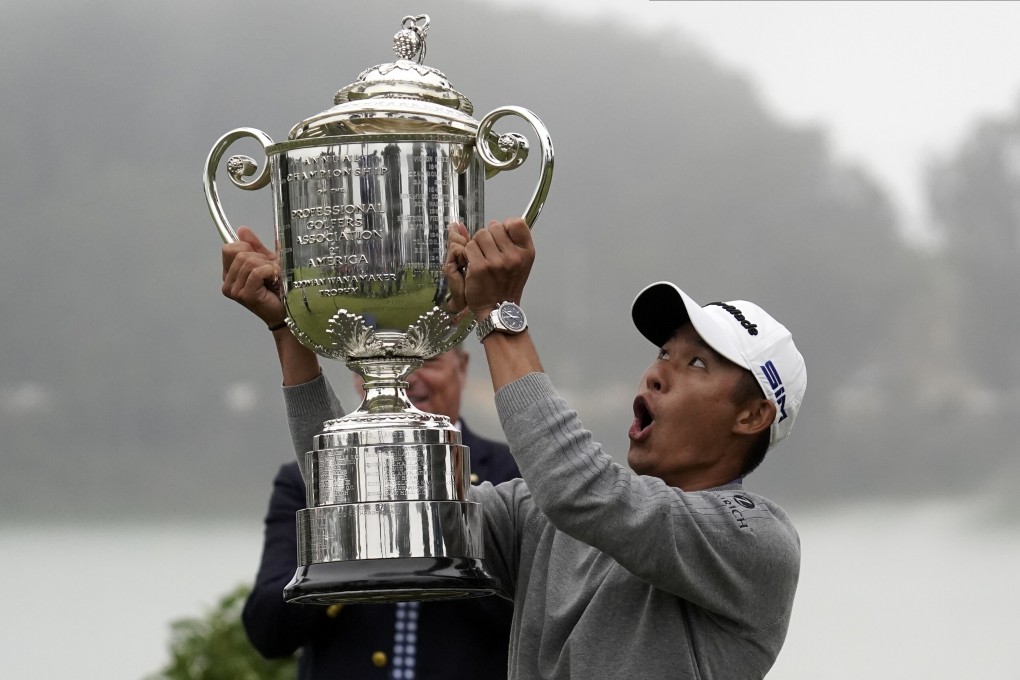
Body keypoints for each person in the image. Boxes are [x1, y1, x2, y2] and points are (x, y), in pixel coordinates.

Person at [231, 215, 808, 678]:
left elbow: (584, 491)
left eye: (697, 364)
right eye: (663, 353)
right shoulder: (540, 515)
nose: (656, 375)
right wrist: (290, 332)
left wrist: (497, 316)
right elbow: (362, 501)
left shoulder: (755, 540)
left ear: (753, 415)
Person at [222, 227, 521, 680]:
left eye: (429, 358)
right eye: (377, 356)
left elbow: (535, 612)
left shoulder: (511, 474)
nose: (410, 376)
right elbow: (267, 629)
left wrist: (437, 552)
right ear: (356, 369)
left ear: (462, 367)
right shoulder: (304, 479)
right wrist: (351, 547)